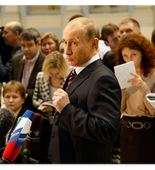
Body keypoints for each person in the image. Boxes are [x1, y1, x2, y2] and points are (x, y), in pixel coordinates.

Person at [48, 17, 121, 164]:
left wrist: (67, 109)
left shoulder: (103, 78)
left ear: (94, 43)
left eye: (74, 43)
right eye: (65, 42)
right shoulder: (77, 70)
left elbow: (107, 131)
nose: (66, 51)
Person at [115, 33, 155, 164]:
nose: (129, 60)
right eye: (125, 56)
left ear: (142, 53)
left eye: (133, 55)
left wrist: (143, 86)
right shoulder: (122, 74)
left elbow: (154, 112)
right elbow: (120, 109)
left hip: (149, 130)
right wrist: (121, 90)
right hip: (127, 128)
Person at [10, 27, 45, 113]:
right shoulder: (16, 59)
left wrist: (25, 95)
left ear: (38, 44)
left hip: (36, 108)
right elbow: (12, 81)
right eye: (23, 45)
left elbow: (43, 90)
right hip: (17, 107)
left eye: (30, 45)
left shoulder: (45, 61)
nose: (26, 49)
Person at [33, 51, 69, 119]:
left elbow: (70, 104)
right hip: (45, 119)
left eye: (57, 74)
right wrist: (42, 105)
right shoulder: (41, 76)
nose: (53, 77)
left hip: (63, 119)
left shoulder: (69, 79)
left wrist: (54, 109)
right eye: (50, 73)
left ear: (62, 70)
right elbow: (35, 99)